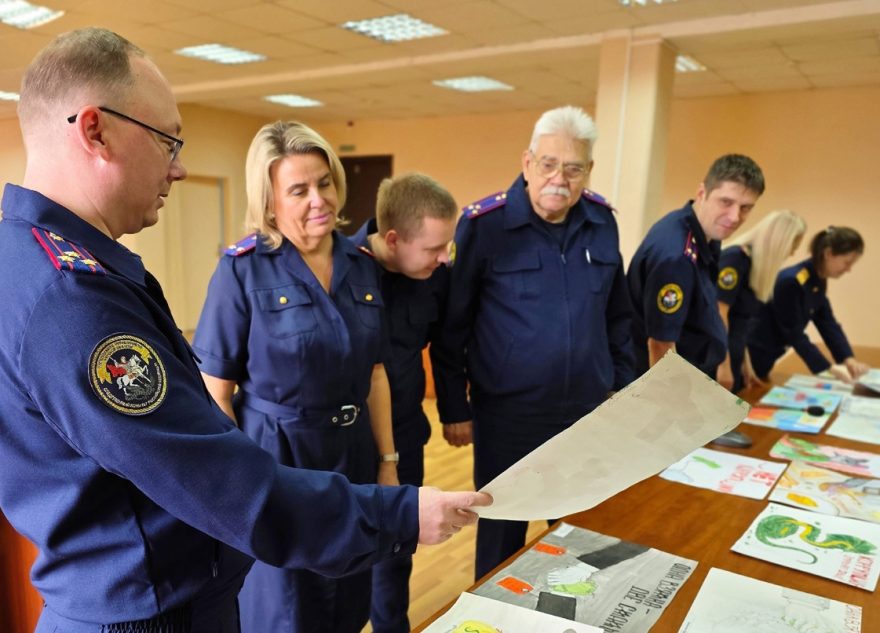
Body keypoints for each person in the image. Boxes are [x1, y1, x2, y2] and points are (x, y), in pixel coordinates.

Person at [0, 27, 490, 633]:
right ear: (95, 130)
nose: (178, 170)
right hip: (148, 612)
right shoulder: (71, 300)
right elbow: (215, 474)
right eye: (166, 141)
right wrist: (400, 514)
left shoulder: (43, 263)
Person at [191, 121, 402, 633]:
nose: (318, 200)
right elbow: (216, 394)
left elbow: (375, 374)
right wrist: (243, 484)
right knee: (288, 609)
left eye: (324, 183)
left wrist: (388, 463)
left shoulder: (363, 264)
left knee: (350, 597)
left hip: (351, 454)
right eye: (299, 189)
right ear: (269, 204)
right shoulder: (242, 270)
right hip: (278, 459)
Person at [431, 105, 634, 580]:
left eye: (573, 168)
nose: (558, 179)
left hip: (586, 414)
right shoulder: (485, 225)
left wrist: (624, 387)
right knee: (503, 541)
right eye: (547, 164)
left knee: (585, 539)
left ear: (588, 172)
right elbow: (452, 325)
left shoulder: (602, 223)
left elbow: (619, 317)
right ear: (527, 163)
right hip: (508, 417)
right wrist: (454, 408)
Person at [349, 172, 458, 633]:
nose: (444, 257)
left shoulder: (434, 277)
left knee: (396, 554)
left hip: (407, 436)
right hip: (349, 444)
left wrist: (456, 411)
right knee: (346, 557)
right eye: (435, 248)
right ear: (393, 239)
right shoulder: (338, 269)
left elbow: (448, 347)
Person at [627, 154, 764, 446]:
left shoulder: (703, 231)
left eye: (746, 208)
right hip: (659, 400)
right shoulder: (677, 254)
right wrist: (680, 421)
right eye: (726, 202)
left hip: (690, 384)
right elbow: (660, 346)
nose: (735, 217)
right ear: (702, 192)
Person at [748, 226, 869, 383]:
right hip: (750, 355)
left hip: (768, 354)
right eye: (847, 262)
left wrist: (848, 358)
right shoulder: (792, 281)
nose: (849, 270)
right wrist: (827, 368)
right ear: (829, 254)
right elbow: (794, 333)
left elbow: (827, 322)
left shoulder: (817, 278)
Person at [715, 210, 807, 393]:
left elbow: (740, 326)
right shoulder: (734, 260)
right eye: (793, 245)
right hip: (715, 360)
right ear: (779, 242)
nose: (792, 252)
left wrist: (747, 368)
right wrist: (723, 365)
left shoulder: (754, 266)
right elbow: (719, 315)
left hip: (733, 358)